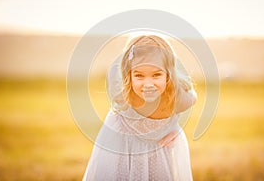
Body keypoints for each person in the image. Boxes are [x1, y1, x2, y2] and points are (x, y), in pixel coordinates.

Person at [83, 35, 197, 180]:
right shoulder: (121, 93)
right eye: (139, 76)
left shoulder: (178, 97)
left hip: (157, 153)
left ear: (168, 75)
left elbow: (192, 98)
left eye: (156, 75)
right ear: (128, 76)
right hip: (122, 147)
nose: (148, 84)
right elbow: (115, 71)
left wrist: (173, 126)